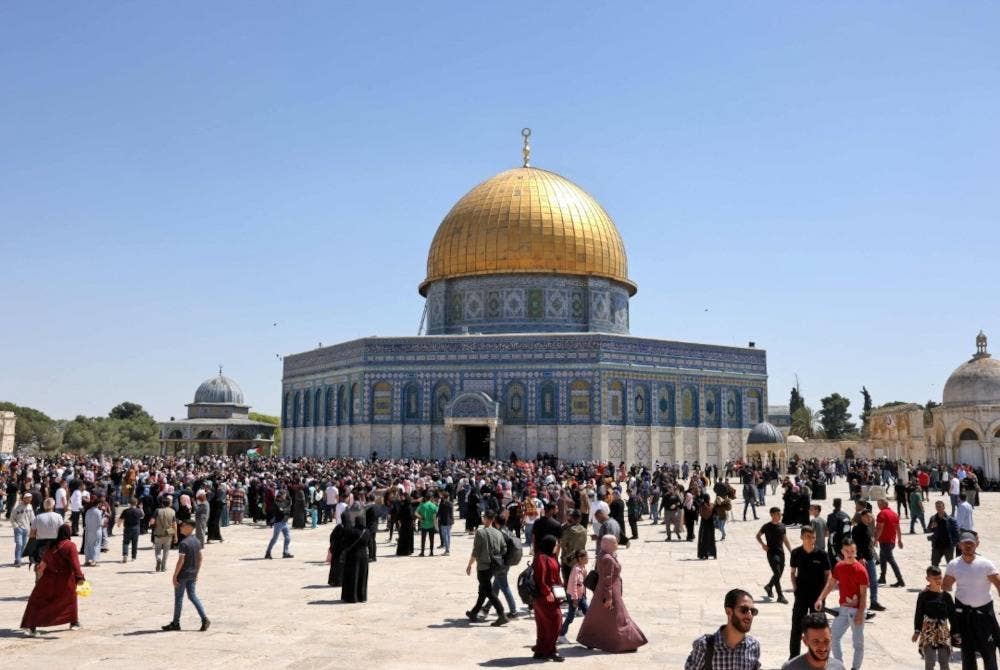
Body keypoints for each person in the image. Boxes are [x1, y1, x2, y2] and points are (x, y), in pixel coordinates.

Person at [577, 535, 647, 653]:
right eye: (614, 543)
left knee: (597, 616)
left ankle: (590, 639)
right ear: (607, 545)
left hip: (603, 590)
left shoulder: (603, 555)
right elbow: (607, 579)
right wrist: (608, 597)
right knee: (620, 617)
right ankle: (627, 642)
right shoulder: (607, 559)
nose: (617, 544)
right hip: (610, 591)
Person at [943, 531, 1000, 670]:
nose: (968, 545)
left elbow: (999, 585)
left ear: (977, 544)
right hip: (964, 615)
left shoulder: (986, 564)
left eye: (971, 543)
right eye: (965, 543)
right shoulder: (953, 564)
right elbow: (946, 586)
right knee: (967, 652)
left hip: (984, 614)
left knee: (988, 651)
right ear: (959, 545)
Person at [20, 524, 85, 637]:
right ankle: (74, 622)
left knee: (39, 602)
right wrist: (80, 578)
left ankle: (31, 626)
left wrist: (39, 576)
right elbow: (75, 565)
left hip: (48, 579)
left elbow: (43, 564)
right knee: (69, 601)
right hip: (65, 580)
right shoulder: (70, 546)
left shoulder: (51, 545)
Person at [816, 538, 868, 670]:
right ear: (842, 552)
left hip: (857, 610)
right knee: (833, 637)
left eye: (852, 551)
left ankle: (855, 668)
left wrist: (860, 614)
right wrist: (820, 598)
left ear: (855, 552)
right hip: (844, 610)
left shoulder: (861, 570)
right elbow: (830, 585)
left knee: (858, 644)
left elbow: (863, 595)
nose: (850, 554)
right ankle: (839, 666)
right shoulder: (839, 567)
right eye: (847, 551)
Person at [684, 588, 761, 670]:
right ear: (728, 611)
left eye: (753, 611)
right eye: (744, 610)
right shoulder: (704, 646)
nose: (749, 616)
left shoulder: (753, 646)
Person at [789, 525, 832, 659]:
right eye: (808, 537)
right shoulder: (796, 553)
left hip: (817, 597)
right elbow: (792, 573)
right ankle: (793, 657)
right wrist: (795, 588)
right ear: (802, 537)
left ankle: (818, 656)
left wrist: (822, 596)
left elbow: (828, 575)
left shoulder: (822, 554)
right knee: (796, 627)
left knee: (818, 629)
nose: (811, 540)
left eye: (813, 537)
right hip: (801, 596)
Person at [162, 520, 209, 631]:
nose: (181, 528)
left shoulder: (184, 543)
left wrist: (174, 575)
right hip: (192, 574)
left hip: (183, 575)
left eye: (183, 526)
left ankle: (175, 623)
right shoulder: (197, 541)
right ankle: (204, 619)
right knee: (193, 597)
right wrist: (196, 572)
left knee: (179, 599)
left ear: (189, 528)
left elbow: (181, 561)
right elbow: (200, 558)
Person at [465, 510, 508, 626]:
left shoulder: (480, 533)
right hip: (494, 566)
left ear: (486, 519)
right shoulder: (498, 533)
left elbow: (476, 552)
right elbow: (504, 549)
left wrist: (469, 565)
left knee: (487, 591)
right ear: (493, 519)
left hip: (483, 566)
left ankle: (501, 614)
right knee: (483, 590)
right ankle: (474, 612)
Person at [912, 565, 955, 670]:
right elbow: (919, 614)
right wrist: (917, 631)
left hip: (943, 632)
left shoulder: (946, 596)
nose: (938, 580)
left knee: (944, 662)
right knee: (929, 662)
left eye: (940, 578)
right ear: (928, 579)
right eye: (935, 578)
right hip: (928, 632)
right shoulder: (923, 595)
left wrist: (956, 633)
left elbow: (953, 616)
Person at [532, 534, 564, 662]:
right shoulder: (541, 557)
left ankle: (541, 650)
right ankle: (550, 650)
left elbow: (556, 576)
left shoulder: (550, 556)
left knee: (544, 624)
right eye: (556, 544)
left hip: (552, 595)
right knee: (555, 621)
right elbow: (540, 577)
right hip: (544, 597)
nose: (557, 547)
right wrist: (547, 592)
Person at [757, 506, 792, 604]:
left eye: (780, 514)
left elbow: (785, 539)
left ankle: (768, 586)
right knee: (777, 573)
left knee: (779, 574)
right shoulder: (766, 526)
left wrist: (790, 550)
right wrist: (763, 544)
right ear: (772, 515)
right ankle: (780, 596)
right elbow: (758, 535)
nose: (780, 516)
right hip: (771, 553)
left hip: (781, 553)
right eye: (778, 514)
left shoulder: (782, 526)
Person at [559, 549, 589, 645]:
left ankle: (590, 635)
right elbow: (573, 585)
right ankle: (561, 635)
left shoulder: (582, 567)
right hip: (573, 596)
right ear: (580, 559)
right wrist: (575, 599)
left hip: (581, 595)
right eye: (585, 558)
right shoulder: (575, 569)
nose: (587, 559)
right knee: (570, 617)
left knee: (588, 614)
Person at [874, 498, 905, 588]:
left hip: (884, 541)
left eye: (879, 504)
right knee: (883, 559)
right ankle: (882, 577)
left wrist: (875, 539)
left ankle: (900, 580)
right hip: (891, 541)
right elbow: (898, 528)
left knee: (891, 560)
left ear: (884, 504)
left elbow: (880, 528)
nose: (878, 506)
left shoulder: (882, 514)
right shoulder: (894, 514)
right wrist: (899, 540)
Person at [341, 516, 369, 603]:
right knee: (362, 576)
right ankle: (362, 597)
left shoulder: (351, 531)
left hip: (353, 556)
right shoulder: (367, 532)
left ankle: (352, 597)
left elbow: (345, 542)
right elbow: (369, 543)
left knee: (353, 576)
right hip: (364, 556)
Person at [558, 510, 587, 585]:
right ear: (580, 519)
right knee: (579, 582)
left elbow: (562, 545)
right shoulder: (584, 530)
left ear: (572, 518)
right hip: (580, 559)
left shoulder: (568, 531)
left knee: (568, 582)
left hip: (568, 560)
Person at [927, 500, 959, 568]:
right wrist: (932, 526)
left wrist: (953, 544)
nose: (938, 508)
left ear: (944, 507)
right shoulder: (933, 518)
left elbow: (956, 533)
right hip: (936, 546)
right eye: (937, 507)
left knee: (951, 566)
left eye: (940, 506)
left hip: (948, 546)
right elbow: (928, 530)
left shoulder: (951, 520)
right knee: (934, 566)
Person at [150, 495, 177, 572]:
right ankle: (163, 566)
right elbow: (174, 524)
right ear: (169, 504)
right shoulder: (172, 511)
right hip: (168, 533)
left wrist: (152, 525)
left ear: (162, 504)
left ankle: (158, 558)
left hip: (158, 533)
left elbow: (152, 521)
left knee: (157, 549)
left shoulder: (157, 511)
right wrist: (175, 536)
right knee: (166, 551)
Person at [265, 491, 293, 559]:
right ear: (280, 495)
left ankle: (285, 553)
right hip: (278, 523)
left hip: (285, 522)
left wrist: (285, 510)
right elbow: (281, 512)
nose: (285, 496)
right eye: (284, 495)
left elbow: (288, 509)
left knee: (288, 538)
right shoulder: (276, 503)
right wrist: (285, 510)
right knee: (275, 539)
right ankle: (268, 553)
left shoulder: (285, 501)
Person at [116, 497, 143, 563]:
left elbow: (120, 519)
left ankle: (125, 555)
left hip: (127, 528)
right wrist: (141, 509)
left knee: (125, 542)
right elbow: (142, 516)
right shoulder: (138, 510)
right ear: (136, 503)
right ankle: (133, 557)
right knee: (135, 543)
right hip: (136, 528)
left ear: (129, 503)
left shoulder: (125, 511)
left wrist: (119, 524)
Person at [11, 493, 35, 567]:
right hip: (19, 529)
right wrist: (16, 527)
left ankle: (19, 559)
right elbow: (12, 518)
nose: (29, 499)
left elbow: (32, 518)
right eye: (27, 498)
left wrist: (34, 527)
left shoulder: (30, 507)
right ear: (24, 498)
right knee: (19, 544)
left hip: (27, 529)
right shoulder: (17, 507)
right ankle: (17, 560)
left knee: (24, 545)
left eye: (30, 498)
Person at [416, 493, 438, 557]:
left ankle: (422, 552)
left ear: (425, 498)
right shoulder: (434, 505)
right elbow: (436, 515)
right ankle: (431, 552)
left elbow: (415, 513)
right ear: (430, 498)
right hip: (431, 524)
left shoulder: (422, 505)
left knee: (423, 539)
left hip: (423, 524)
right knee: (431, 539)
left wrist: (420, 518)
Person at [697, 494, 717, 559]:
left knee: (703, 539)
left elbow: (701, 514)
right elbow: (715, 513)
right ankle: (713, 554)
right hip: (711, 524)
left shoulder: (702, 505)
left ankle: (704, 554)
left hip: (704, 524)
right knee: (711, 538)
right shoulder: (712, 505)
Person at [437, 491, 453, 556]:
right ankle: (448, 548)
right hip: (450, 521)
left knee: (445, 536)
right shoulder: (450, 503)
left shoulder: (442, 504)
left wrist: (436, 517)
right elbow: (451, 513)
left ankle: (447, 550)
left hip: (443, 521)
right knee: (448, 535)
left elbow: (439, 512)